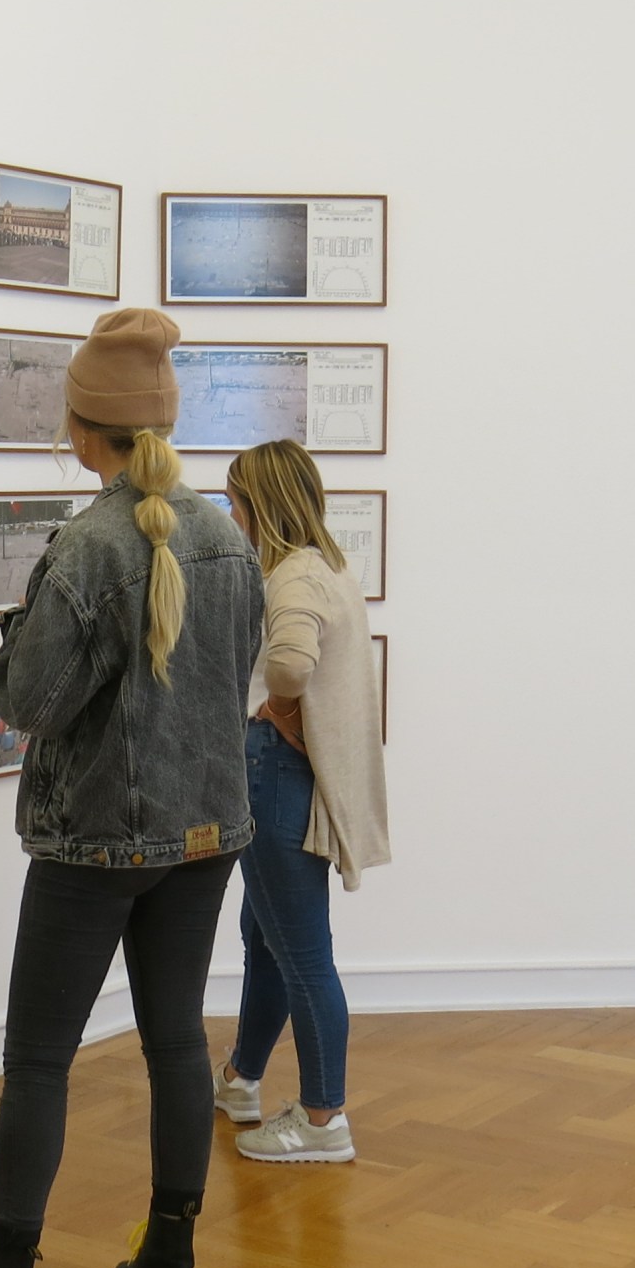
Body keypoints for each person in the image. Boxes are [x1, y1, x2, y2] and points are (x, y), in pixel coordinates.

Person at [0, 308, 263, 1268]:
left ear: (80, 430)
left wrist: (11, 640)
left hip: (93, 844)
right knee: (175, 1044)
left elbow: (28, 702)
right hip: (205, 834)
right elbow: (234, 675)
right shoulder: (226, 538)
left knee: (37, 1062)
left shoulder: (86, 547)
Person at [214, 440, 390, 1165]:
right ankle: (241, 1080)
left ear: (261, 506)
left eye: (235, 502)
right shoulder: (328, 565)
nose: (231, 515)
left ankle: (323, 1120)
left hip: (275, 775)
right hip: (291, 774)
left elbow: (289, 664)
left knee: (302, 954)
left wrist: (276, 709)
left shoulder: (291, 576)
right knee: (266, 937)